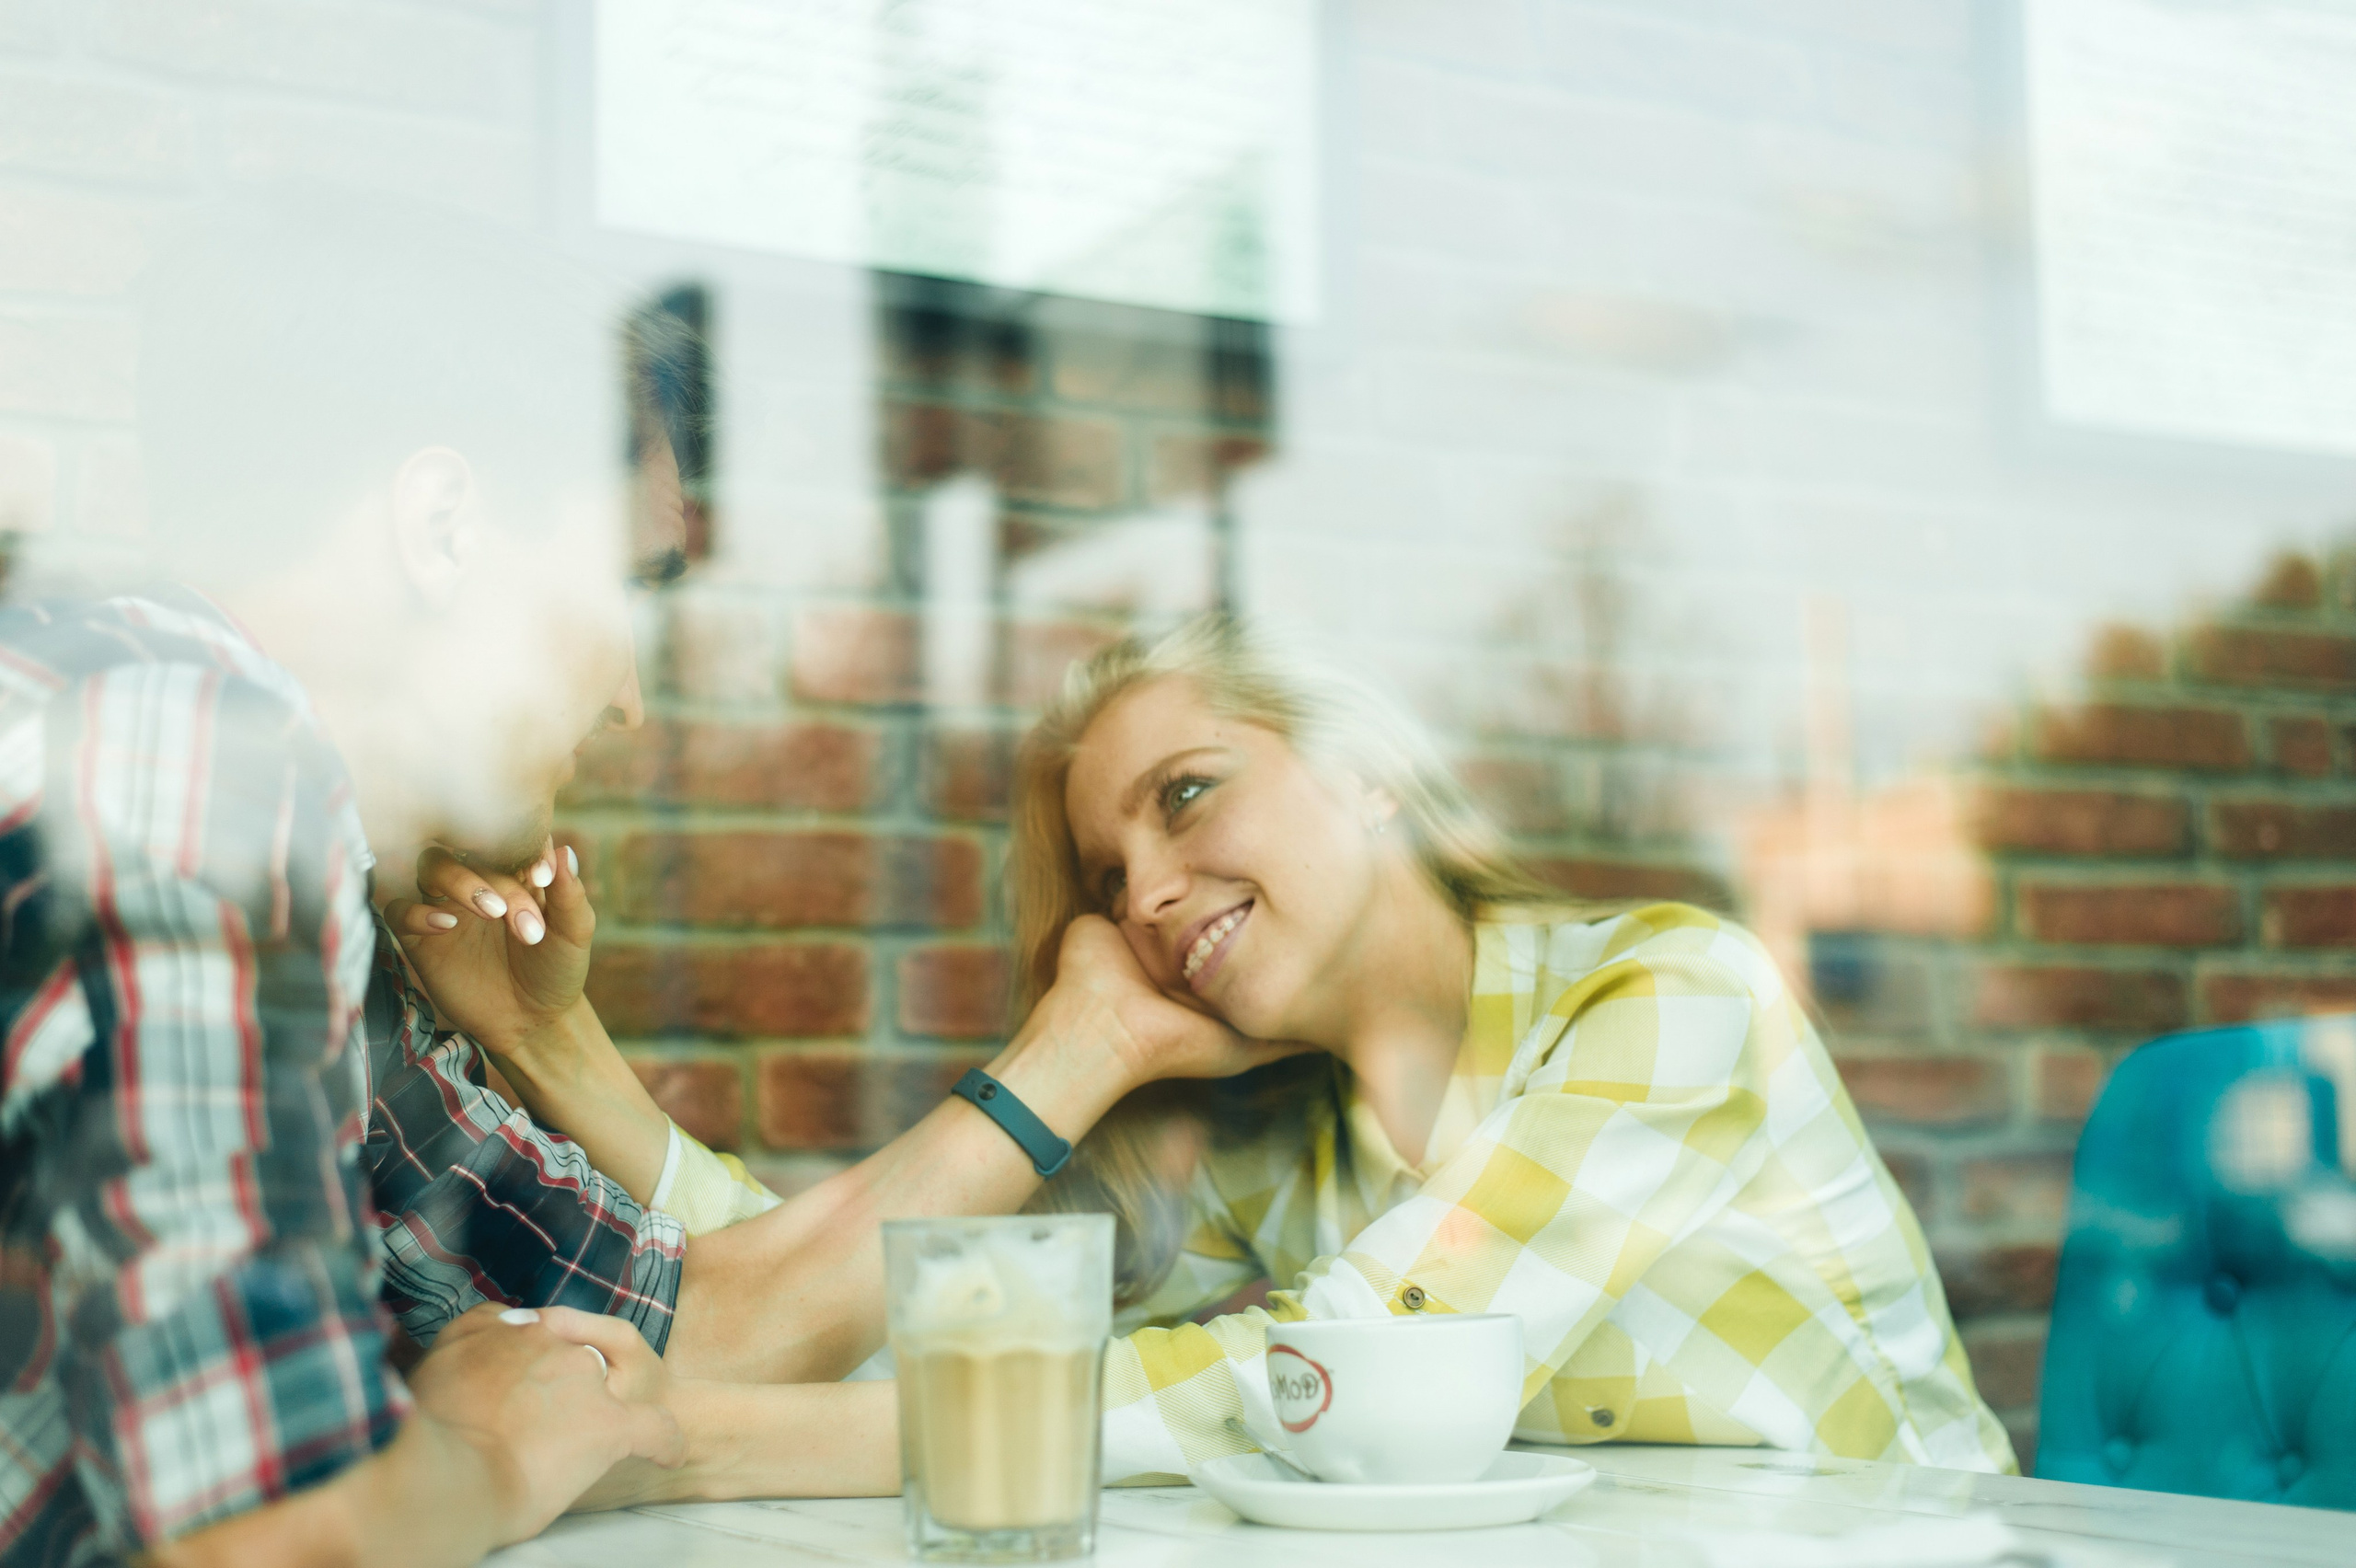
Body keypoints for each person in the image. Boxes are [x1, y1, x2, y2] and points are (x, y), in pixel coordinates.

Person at [0, 193, 1285, 1564]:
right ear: (445, 528)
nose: (628, 702)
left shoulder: (277, 849)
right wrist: (485, 1462)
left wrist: (1086, 1044)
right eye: (627, 584)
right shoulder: (182, 761)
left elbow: (672, 1325)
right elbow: (251, 1539)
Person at [482, 615, 2017, 1483]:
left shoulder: (1674, 997)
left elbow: (1322, 1369)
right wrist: (555, 1041)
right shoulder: (1291, 1154)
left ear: (1364, 775)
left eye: (1187, 795)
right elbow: (918, 1331)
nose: (1145, 893)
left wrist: (685, 1442)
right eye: (1106, 878)